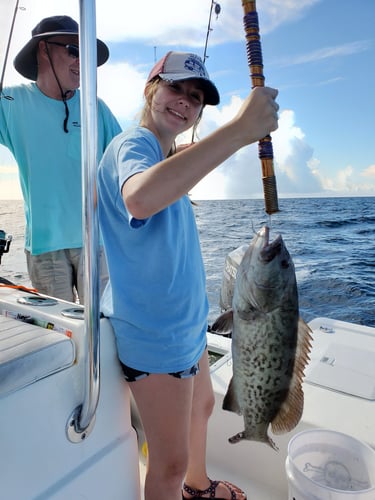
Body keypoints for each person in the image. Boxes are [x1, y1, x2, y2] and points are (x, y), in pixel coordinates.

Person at [97, 51, 279, 500]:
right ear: (150, 88)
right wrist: (239, 131)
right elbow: (139, 198)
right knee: (168, 463)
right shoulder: (133, 145)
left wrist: (226, 137)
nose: (185, 101)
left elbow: (177, 168)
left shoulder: (164, 154)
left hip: (186, 325)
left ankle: (196, 487)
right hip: (156, 334)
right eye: (176, 88)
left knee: (203, 406)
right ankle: (181, 482)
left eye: (196, 98)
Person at [0, 15, 121, 303]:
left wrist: (169, 153)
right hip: (45, 247)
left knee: (106, 329)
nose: (82, 62)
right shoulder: (11, 102)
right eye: (73, 50)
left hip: (98, 243)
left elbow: (126, 156)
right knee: (61, 335)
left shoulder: (97, 108)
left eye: (86, 54)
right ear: (44, 50)